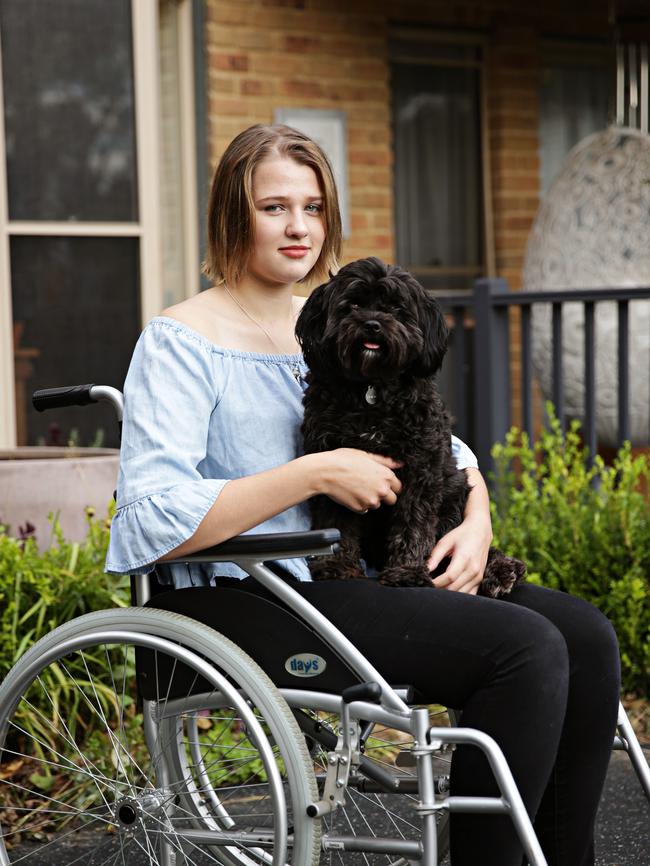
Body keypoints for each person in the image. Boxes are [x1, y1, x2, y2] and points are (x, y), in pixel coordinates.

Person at [106, 123, 620, 866]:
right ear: (231, 214)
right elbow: (151, 518)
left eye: (313, 208)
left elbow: (440, 446)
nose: (299, 228)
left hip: (367, 575)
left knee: (585, 635)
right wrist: (314, 474)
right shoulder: (182, 341)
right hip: (260, 591)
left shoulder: (332, 318)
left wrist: (476, 519)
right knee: (525, 647)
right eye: (274, 207)